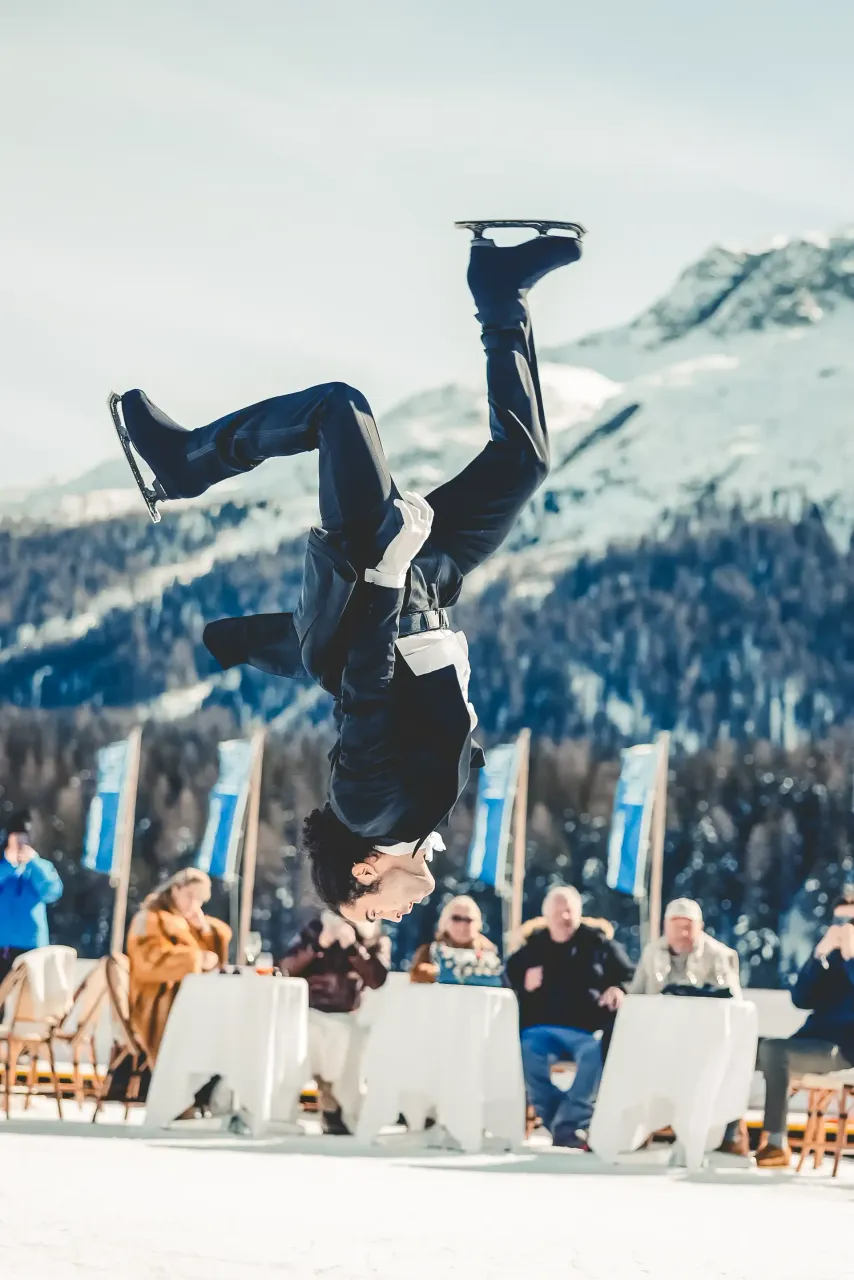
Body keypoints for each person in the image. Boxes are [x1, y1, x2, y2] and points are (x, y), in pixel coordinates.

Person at [110, 222, 583, 920]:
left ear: (365, 872)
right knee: (523, 462)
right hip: (429, 587)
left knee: (339, 408)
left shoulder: (366, 810)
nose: (395, 918)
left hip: (381, 581)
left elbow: (367, 686)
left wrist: (388, 568)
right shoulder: (411, 824)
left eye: (374, 912)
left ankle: (185, 464)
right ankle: (500, 290)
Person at [506, 885, 633, 1149]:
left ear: (579, 913)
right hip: (539, 1030)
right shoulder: (533, 947)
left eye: (569, 911)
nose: (564, 917)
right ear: (546, 916)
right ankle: (564, 1124)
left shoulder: (598, 943)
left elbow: (630, 975)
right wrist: (523, 983)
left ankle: (568, 1121)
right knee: (526, 1051)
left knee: (596, 1052)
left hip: (588, 1030)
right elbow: (506, 977)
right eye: (557, 913)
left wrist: (618, 988)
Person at [630, 897, 747, 1155]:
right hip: (659, 1039)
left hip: (705, 1042)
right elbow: (636, 997)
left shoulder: (720, 955)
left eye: (688, 926)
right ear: (666, 926)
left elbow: (734, 1004)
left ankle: (724, 1133)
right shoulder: (652, 953)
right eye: (676, 926)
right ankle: (636, 1128)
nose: (682, 933)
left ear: (700, 927)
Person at [755, 888, 854, 1168]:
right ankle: (731, 1133)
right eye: (838, 922)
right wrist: (818, 956)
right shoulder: (831, 959)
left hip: (844, 1049)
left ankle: (776, 1143)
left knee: (774, 1050)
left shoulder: (848, 958)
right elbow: (800, 999)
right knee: (745, 1047)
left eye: (851, 922)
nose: (844, 929)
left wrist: (851, 956)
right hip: (812, 1041)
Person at [280, 911, 390, 1134]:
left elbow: (377, 979)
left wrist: (353, 947)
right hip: (310, 1009)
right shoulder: (315, 929)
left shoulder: (373, 937)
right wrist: (318, 945)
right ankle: (301, 1106)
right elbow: (286, 968)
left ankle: (337, 1105)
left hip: (348, 1013)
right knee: (302, 1042)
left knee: (346, 1044)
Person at [126, 867, 231, 1065]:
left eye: (199, 899)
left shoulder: (187, 921)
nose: (193, 904)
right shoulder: (149, 918)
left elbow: (218, 956)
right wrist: (195, 959)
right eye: (190, 896)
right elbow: (148, 960)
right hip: (157, 998)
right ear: (175, 889)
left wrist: (204, 930)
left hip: (186, 997)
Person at [0, 809, 63, 984]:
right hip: (3, 945)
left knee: (30, 996)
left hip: (32, 947)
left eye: (24, 840)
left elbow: (53, 892)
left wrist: (34, 862)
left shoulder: (41, 867)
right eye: (16, 840)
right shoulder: (3, 867)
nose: (20, 845)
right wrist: (9, 865)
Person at [409, 895, 503, 984]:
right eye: (456, 918)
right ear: (444, 921)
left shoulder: (490, 954)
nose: (462, 925)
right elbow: (416, 976)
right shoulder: (428, 952)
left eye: (468, 920)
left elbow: (502, 980)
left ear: (478, 924)